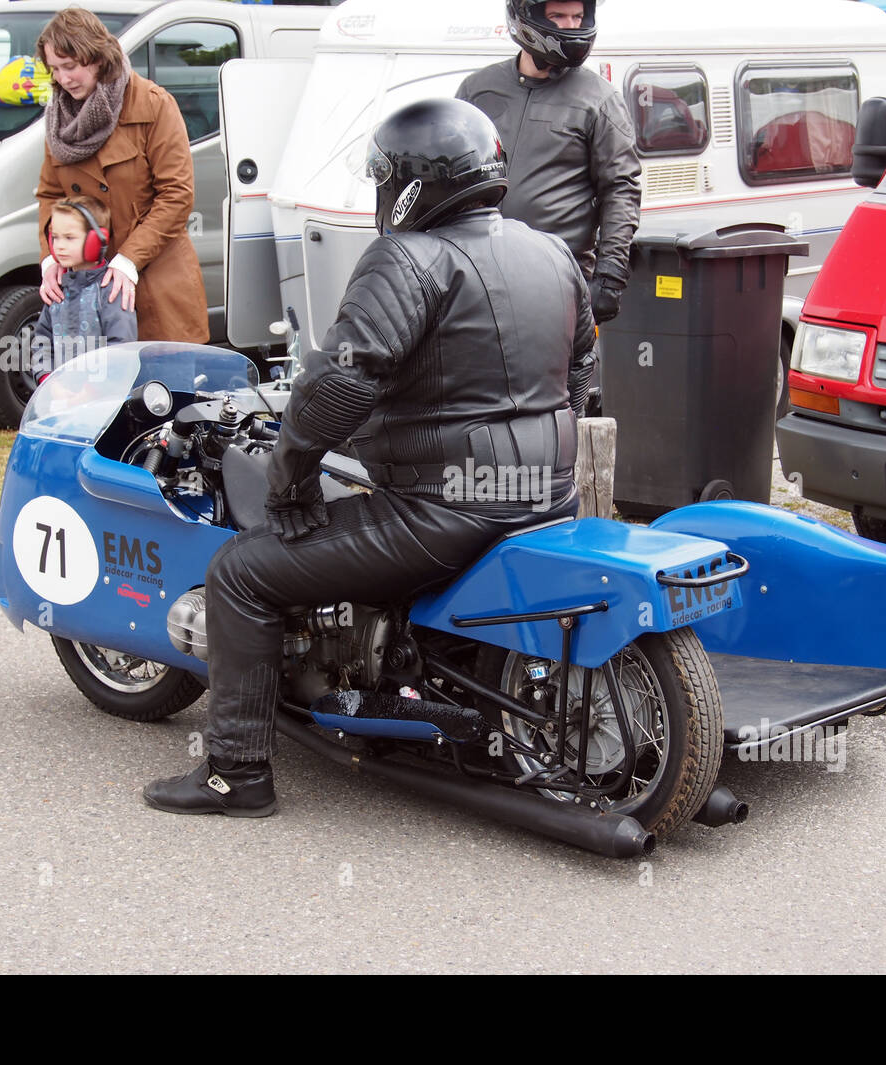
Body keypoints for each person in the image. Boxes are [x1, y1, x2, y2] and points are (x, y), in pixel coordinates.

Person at [143, 98, 596, 816]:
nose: (383, 196)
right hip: (549, 497)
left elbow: (342, 382)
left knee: (239, 573)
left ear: (415, 181)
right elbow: (579, 371)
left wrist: (290, 477)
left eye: (386, 179)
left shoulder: (409, 257)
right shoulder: (550, 250)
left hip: (446, 515)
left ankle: (237, 773)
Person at [457, 0, 641, 326]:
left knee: (556, 377)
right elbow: (453, 177)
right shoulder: (478, 90)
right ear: (526, 17)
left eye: (578, 16)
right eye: (558, 16)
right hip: (479, 275)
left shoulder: (599, 99)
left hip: (557, 281)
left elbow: (620, 190)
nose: (571, 26)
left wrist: (610, 277)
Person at [35, 8, 207, 345]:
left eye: (70, 66)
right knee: (99, 390)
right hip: (88, 289)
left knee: (167, 389)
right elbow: (50, 195)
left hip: (156, 282)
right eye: (55, 69)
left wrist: (127, 261)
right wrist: (50, 257)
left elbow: (176, 195)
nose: (63, 79)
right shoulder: (58, 117)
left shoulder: (153, 104)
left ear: (98, 58)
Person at [33, 196, 137, 379]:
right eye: (55, 238)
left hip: (103, 399)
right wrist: (46, 379)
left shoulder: (110, 290)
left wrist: (93, 389)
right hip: (61, 394)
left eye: (69, 238)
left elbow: (122, 349)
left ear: (96, 241)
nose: (59, 246)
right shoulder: (57, 288)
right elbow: (41, 341)